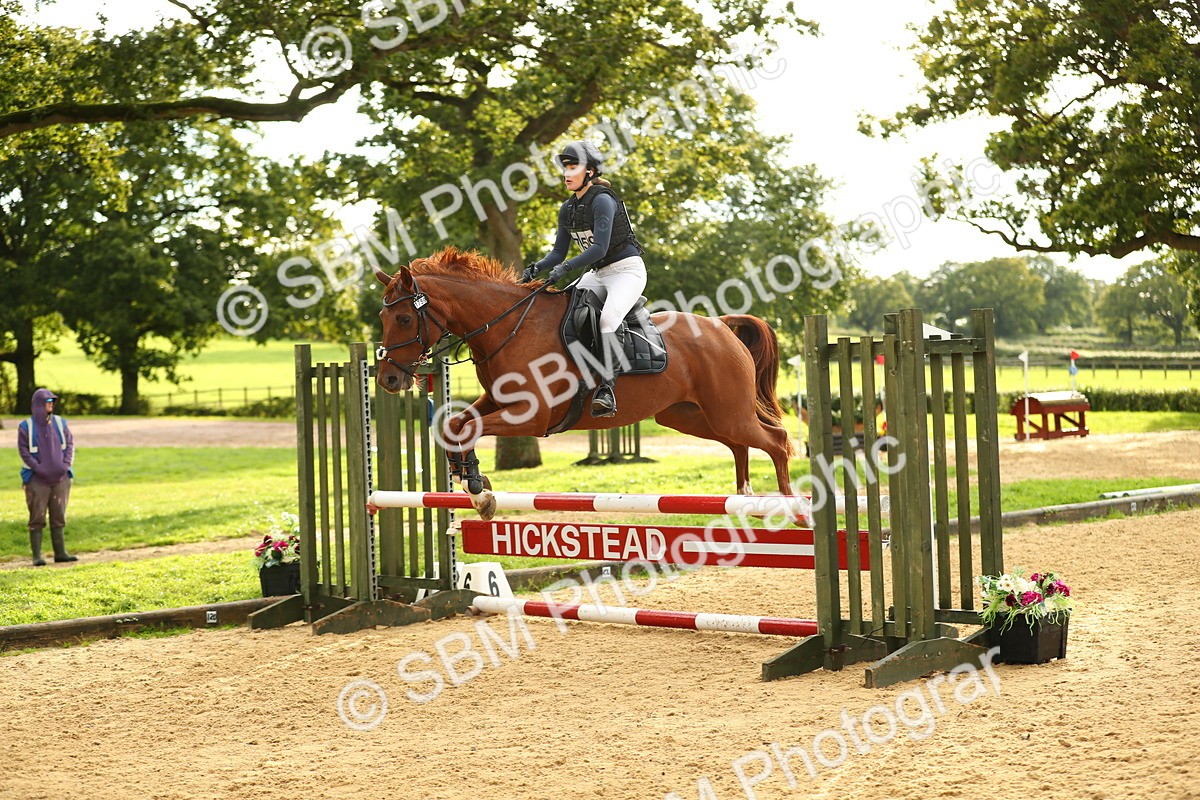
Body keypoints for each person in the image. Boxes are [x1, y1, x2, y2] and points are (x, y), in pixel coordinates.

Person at [519, 140, 646, 417]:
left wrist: (565, 269)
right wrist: (536, 268)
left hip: (626, 271)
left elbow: (599, 248)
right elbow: (558, 252)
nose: (566, 174)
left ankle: (607, 390)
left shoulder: (602, 200)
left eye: (572, 167)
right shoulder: (568, 208)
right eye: (565, 167)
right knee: (563, 312)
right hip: (598, 274)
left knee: (608, 320)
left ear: (589, 172)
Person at [17, 388, 77, 566]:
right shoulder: (25, 427)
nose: (50, 406)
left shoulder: (61, 423)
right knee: (37, 516)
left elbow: (70, 445)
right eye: (46, 402)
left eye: (52, 402)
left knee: (59, 515)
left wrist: (65, 466)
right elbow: (24, 451)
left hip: (61, 478)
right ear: (38, 405)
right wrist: (38, 468)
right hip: (36, 480)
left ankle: (60, 553)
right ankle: (37, 556)